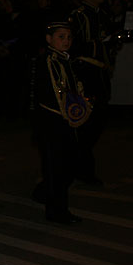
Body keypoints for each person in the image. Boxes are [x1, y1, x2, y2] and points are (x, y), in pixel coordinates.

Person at [31, 21, 90, 224]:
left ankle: (44, 193)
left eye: (69, 37)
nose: (66, 41)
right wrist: (71, 114)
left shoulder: (64, 59)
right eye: (61, 37)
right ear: (49, 39)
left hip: (63, 120)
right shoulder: (49, 60)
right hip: (54, 121)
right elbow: (54, 93)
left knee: (65, 166)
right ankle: (57, 211)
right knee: (58, 167)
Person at [68, 0, 112, 185]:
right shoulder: (78, 16)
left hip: (101, 74)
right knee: (86, 124)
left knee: (98, 121)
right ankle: (83, 170)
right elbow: (74, 46)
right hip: (86, 75)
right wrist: (99, 43)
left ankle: (79, 163)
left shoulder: (101, 13)